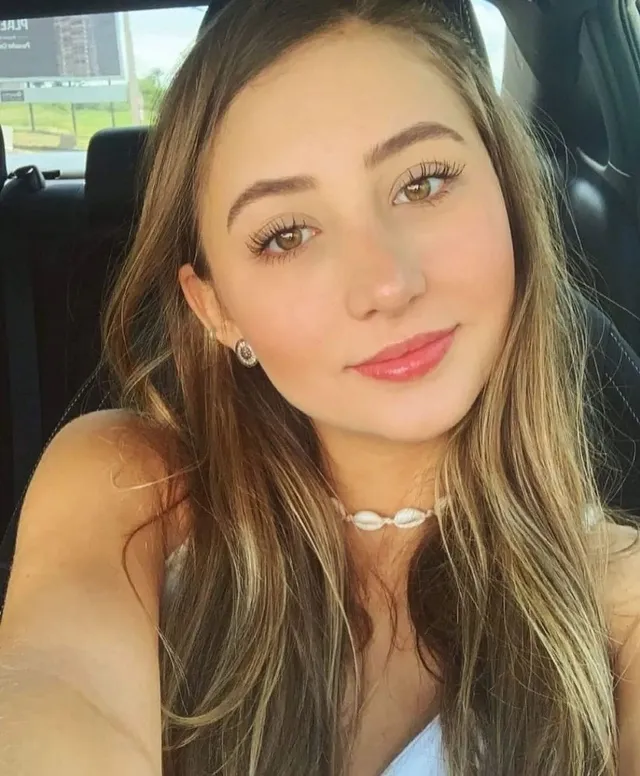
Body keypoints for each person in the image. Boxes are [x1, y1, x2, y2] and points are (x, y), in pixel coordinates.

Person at [1, 0, 640, 774]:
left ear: (508, 188)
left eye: (423, 183)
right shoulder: (129, 489)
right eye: (287, 235)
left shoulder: (618, 606)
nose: (387, 284)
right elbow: (60, 690)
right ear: (215, 309)